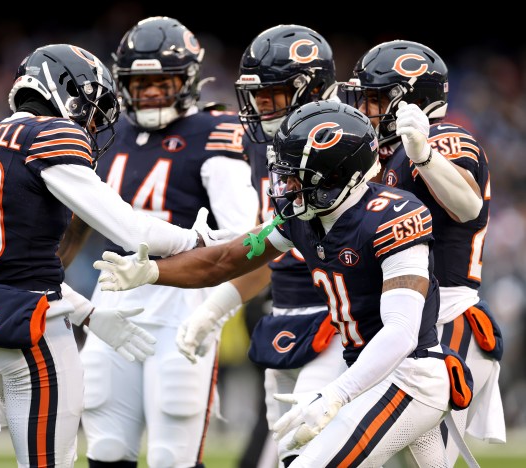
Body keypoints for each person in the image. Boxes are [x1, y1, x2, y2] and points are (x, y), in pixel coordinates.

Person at [93, 100, 464, 467]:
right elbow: (225, 259)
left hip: (408, 376)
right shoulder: (301, 218)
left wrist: (336, 394)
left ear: (335, 175)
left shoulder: (394, 217)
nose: (284, 185)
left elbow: (401, 332)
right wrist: (155, 272)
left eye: (294, 176)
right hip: (364, 371)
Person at [0, 43, 226, 468]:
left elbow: (17, 267)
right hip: (34, 332)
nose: (91, 122)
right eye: (90, 106)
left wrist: (88, 313)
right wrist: (196, 241)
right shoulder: (49, 136)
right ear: (64, 91)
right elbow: (131, 230)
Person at [57, 17, 258, 468]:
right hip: (113, 293)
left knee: (173, 448)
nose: (148, 92)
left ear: (187, 78)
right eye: (139, 82)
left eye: (160, 81)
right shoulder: (110, 133)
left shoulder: (215, 132)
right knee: (106, 443)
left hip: (182, 299)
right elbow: (76, 225)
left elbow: (246, 238)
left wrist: (216, 307)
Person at [175, 24, 347, 467]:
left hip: (344, 316)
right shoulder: (269, 147)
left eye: (270, 96)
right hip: (290, 309)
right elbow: (274, 244)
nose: (258, 108)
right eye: (255, 97)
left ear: (308, 90)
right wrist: (215, 308)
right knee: (294, 445)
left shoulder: (344, 144)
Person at [342, 39, 506, 465]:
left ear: (409, 100)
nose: (366, 109)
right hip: (409, 323)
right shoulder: (385, 155)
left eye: (376, 98)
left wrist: (425, 154)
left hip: (448, 320)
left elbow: (469, 206)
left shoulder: (443, 139)